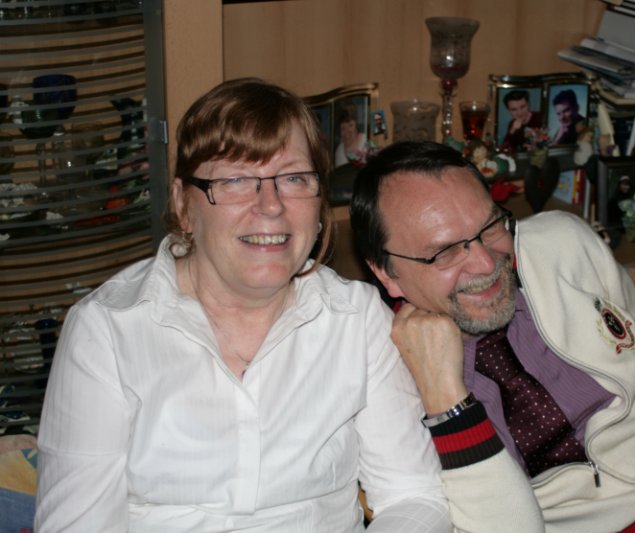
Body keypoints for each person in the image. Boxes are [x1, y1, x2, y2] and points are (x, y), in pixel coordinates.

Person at [34, 80, 451, 533]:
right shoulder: (106, 330)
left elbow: (414, 497)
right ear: (184, 205)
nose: (270, 206)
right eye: (234, 180)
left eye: (294, 178)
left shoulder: (357, 319)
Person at [349, 140, 635, 532]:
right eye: (446, 251)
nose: (486, 263)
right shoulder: (387, 375)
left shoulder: (563, 243)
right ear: (386, 273)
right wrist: (448, 403)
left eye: (490, 227)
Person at [499, 90, 541, 154]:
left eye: (523, 107)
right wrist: (512, 130)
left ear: (528, 105)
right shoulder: (512, 124)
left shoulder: (540, 118)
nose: (519, 113)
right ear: (509, 111)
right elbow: (504, 151)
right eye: (514, 109)